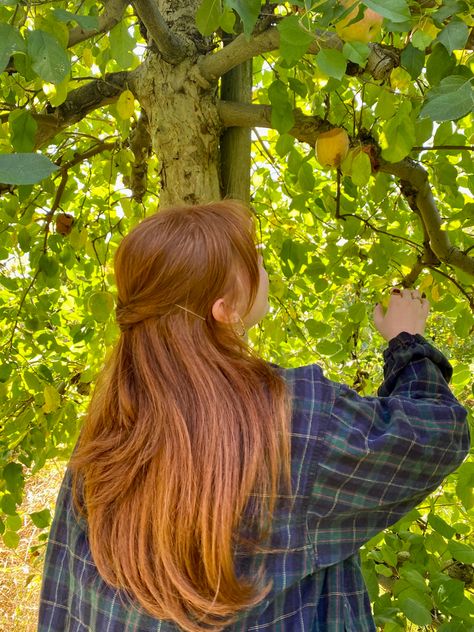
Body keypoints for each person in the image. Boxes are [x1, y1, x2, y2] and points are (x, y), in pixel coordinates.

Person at [38, 200, 470, 632]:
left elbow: (65, 584)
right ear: (224, 310)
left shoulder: (114, 417)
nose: (262, 265)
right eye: (254, 261)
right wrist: (407, 342)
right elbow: (434, 433)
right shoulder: (295, 420)